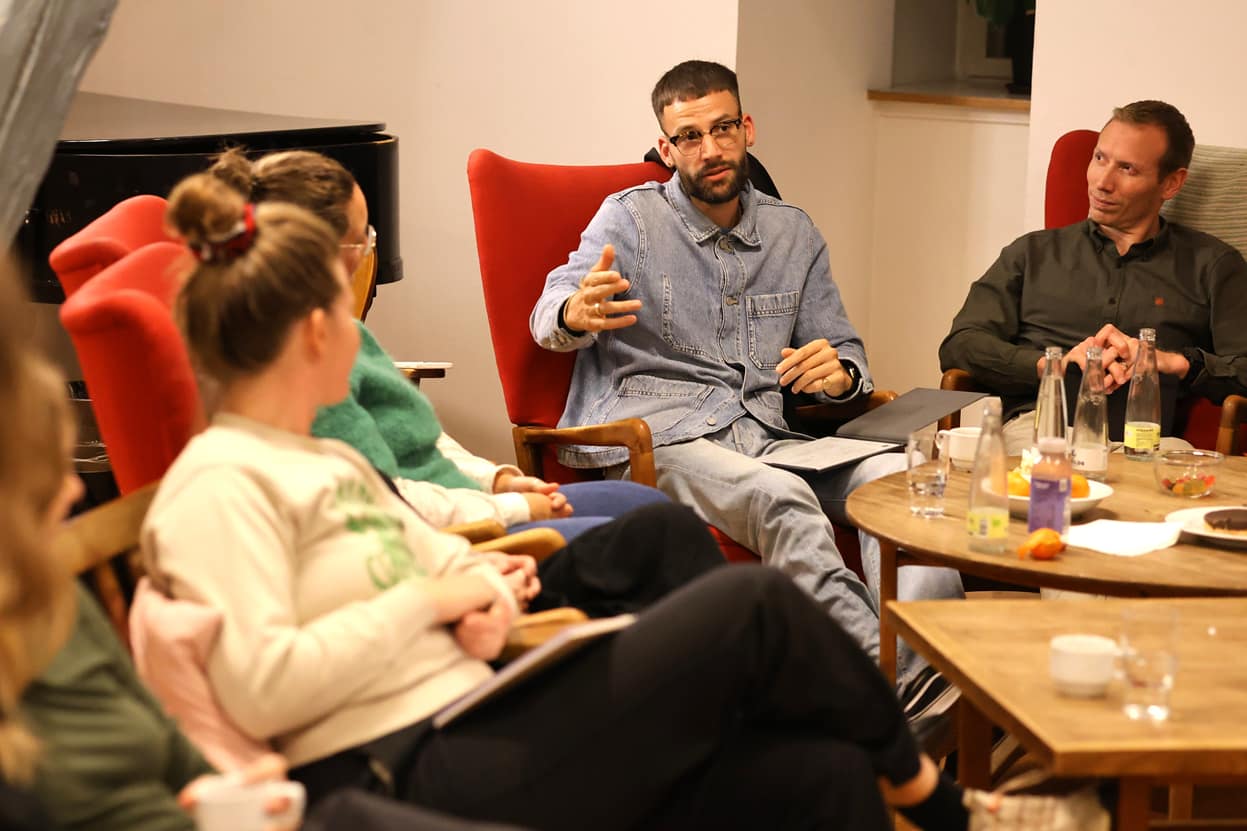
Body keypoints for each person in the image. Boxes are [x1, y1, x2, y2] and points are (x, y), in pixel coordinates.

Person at [141, 168, 989, 831]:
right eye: (345, 308)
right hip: (404, 757)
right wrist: (429, 600)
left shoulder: (327, 461)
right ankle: (940, 800)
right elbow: (262, 689)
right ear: (313, 331)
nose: (361, 335)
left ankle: (888, 768)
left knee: (820, 778)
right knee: (754, 605)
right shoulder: (221, 486)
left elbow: (430, 554)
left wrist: (480, 578)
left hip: (477, 695)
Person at [530, 59, 964, 701]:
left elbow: (845, 355)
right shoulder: (629, 219)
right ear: (666, 149)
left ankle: (938, 671)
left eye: (722, 128)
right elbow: (549, 311)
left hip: (766, 436)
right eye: (689, 136)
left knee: (906, 480)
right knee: (781, 498)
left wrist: (839, 377)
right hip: (659, 439)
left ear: (747, 129)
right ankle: (887, 689)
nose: (710, 149)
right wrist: (575, 312)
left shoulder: (794, 233)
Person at [200, 147, 714, 618]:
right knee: (664, 541)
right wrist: (511, 507)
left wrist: (498, 479)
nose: (371, 251)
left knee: (649, 510)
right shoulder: (299, 365)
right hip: (454, 541)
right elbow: (386, 503)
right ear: (324, 248)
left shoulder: (345, 334)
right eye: (364, 237)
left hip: (466, 508)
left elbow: (424, 445)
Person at [940, 100, 1247, 454]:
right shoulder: (1032, 254)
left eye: (1127, 169)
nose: (1102, 182)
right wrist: (1053, 365)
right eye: (1100, 158)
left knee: (1178, 469)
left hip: (1150, 442)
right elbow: (960, 345)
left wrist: (1172, 362)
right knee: (1051, 467)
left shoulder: (1213, 265)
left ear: (1171, 183)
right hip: (1043, 430)